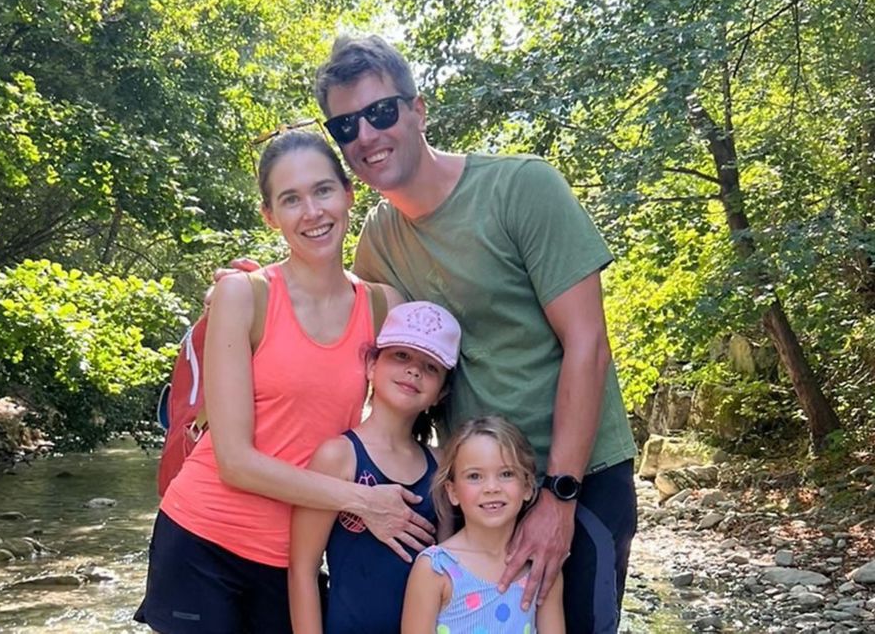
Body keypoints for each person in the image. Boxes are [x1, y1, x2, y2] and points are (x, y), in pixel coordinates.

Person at [216, 36, 638, 633]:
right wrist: (249, 285)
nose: (366, 134)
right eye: (345, 125)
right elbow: (337, 317)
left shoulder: (523, 188)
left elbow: (588, 345)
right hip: (466, 490)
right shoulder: (379, 243)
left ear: (418, 109)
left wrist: (558, 497)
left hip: (578, 477)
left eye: (381, 111)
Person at [134, 131, 438, 634]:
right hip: (201, 542)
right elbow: (234, 462)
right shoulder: (243, 296)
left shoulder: (385, 306)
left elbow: (421, 388)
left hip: (296, 555)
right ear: (270, 215)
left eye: (322, 191)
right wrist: (365, 500)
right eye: (290, 199)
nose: (312, 212)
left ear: (348, 194)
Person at [289, 300, 461, 634]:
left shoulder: (440, 464)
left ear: (441, 393)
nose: (413, 370)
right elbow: (302, 570)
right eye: (401, 356)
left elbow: (450, 568)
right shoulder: (338, 456)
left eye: (430, 367)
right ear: (371, 365)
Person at [401, 416, 565, 634]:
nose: (491, 487)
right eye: (475, 476)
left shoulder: (539, 567)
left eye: (506, 474)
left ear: (527, 486)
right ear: (453, 491)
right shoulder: (436, 569)